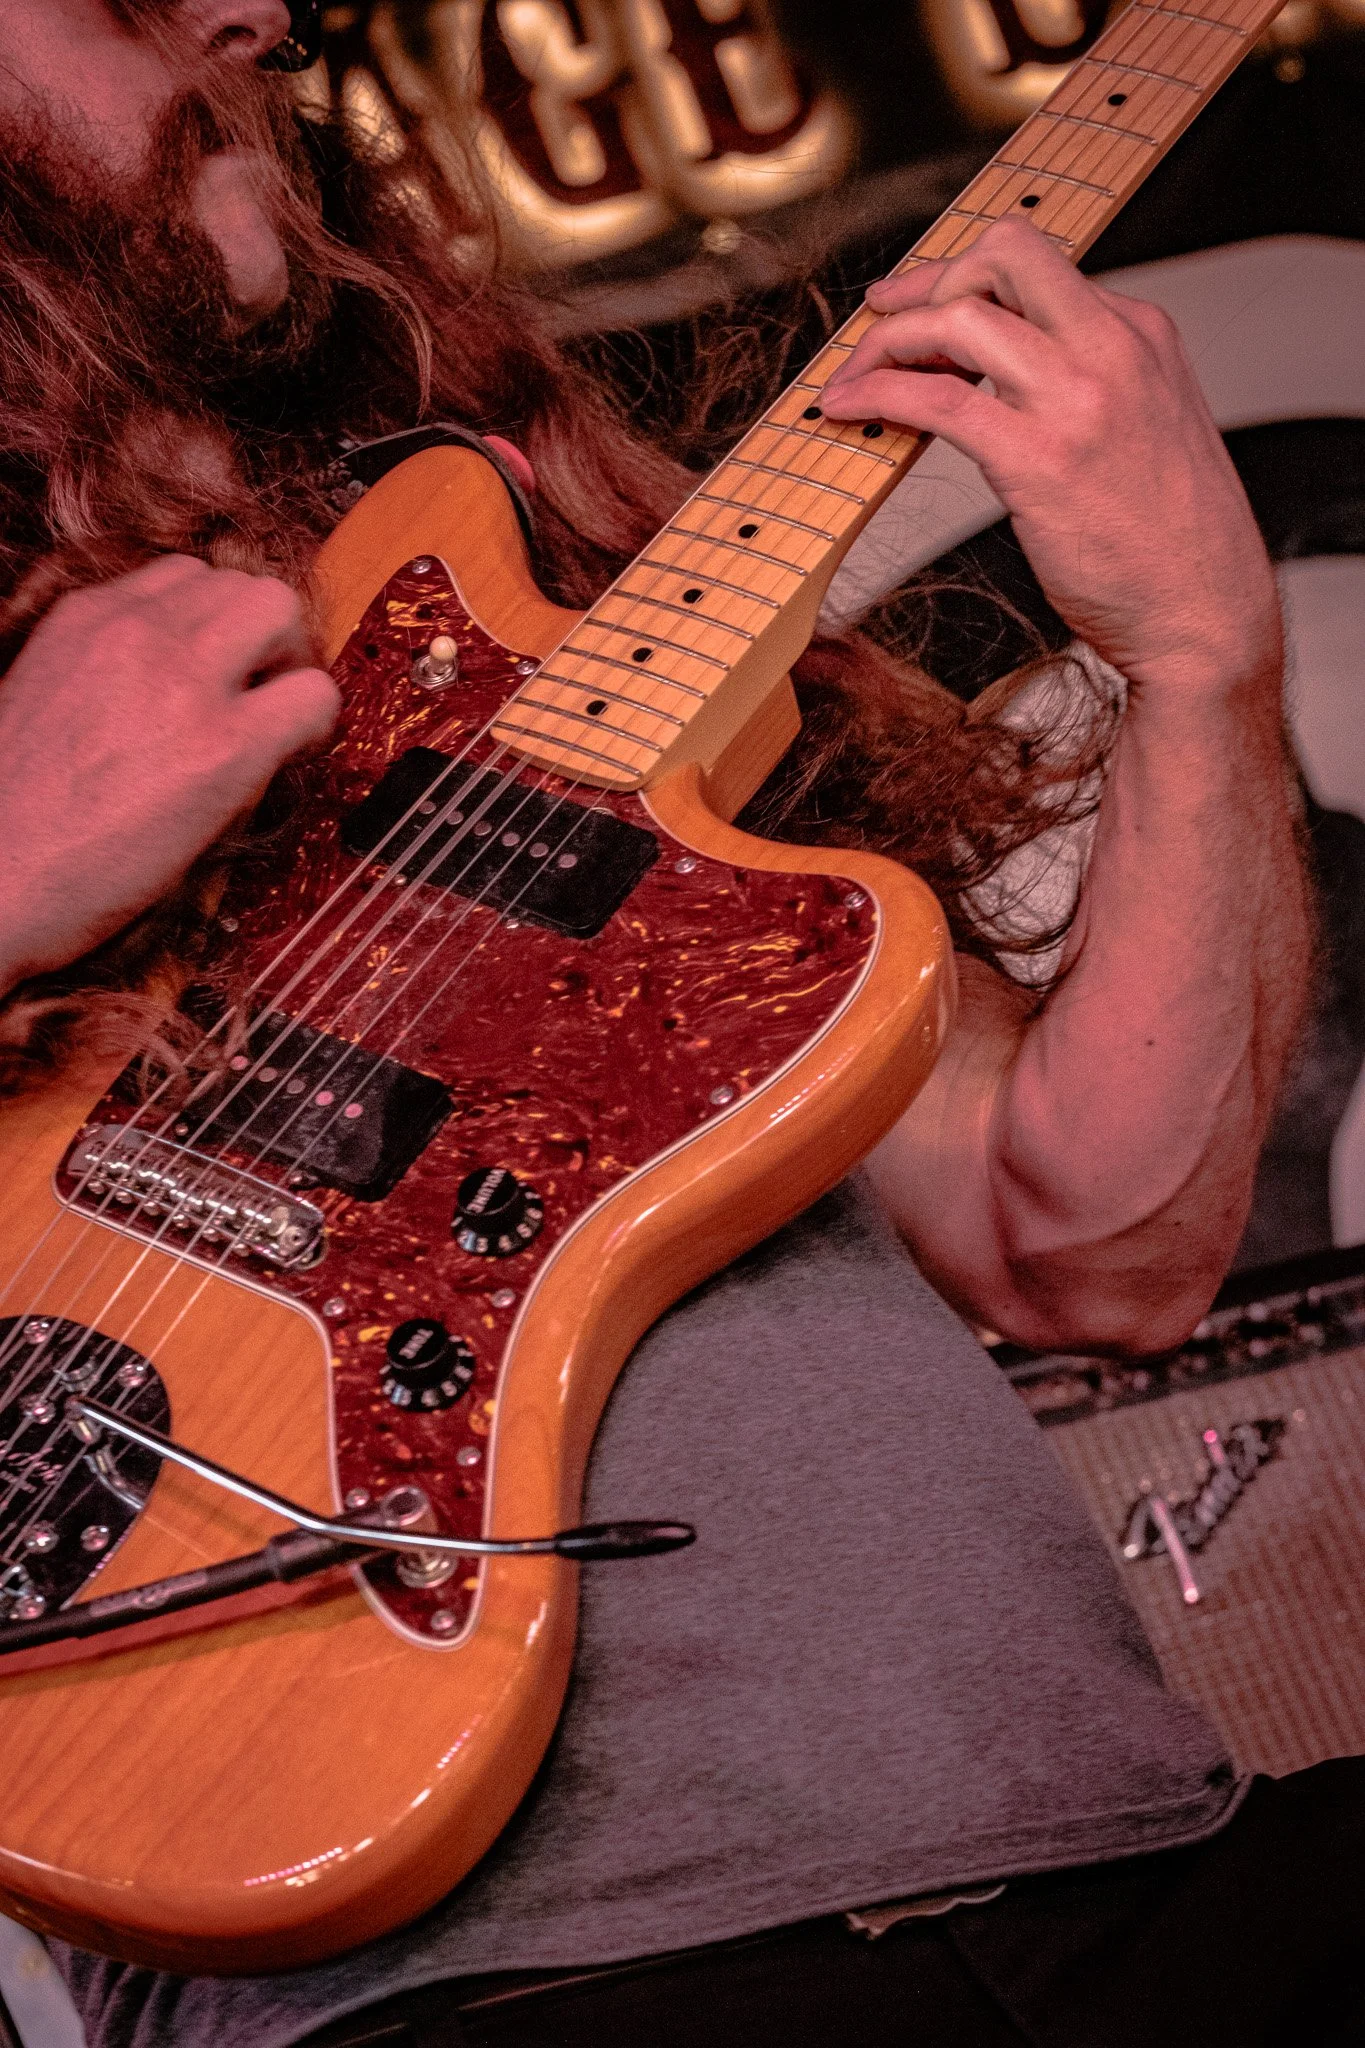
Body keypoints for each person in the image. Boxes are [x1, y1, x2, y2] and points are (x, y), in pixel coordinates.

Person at [0, 6, 1356, 2047]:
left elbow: (1087, 1227)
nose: (246, 12)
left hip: (1111, 1857)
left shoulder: (496, 571)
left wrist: (1196, 642)